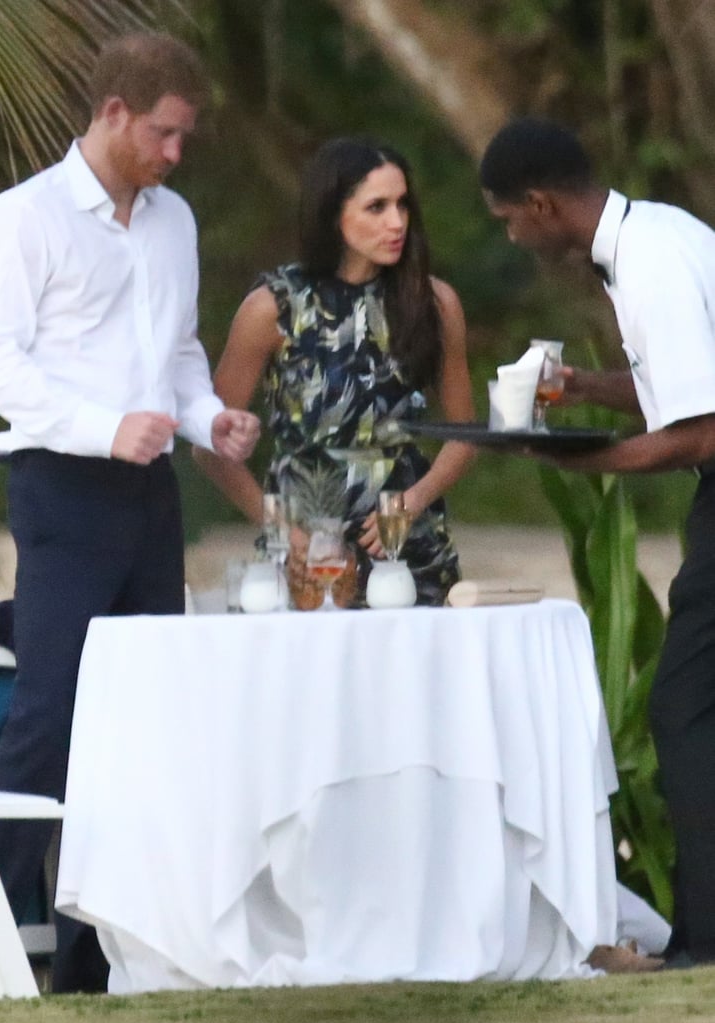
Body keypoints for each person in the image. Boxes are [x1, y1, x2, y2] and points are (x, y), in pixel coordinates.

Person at [0, 33, 260, 1000]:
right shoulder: (24, 219)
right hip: (59, 488)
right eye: (163, 133)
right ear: (114, 111)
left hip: (152, 495)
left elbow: (182, 355)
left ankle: (92, 959)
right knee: (48, 716)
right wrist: (101, 427)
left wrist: (211, 420)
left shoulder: (175, 222)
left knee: (144, 719)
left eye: (184, 138)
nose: (173, 153)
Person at [479, 115, 715, 969]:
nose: (512, 234)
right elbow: (672, 391)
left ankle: (702, 948)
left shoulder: (647, 262)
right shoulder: (659, 233)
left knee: (683, 709)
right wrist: (587, 391)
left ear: (541, 204)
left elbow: (700, 432)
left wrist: (586, 463)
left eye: (509, 218)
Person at [194, 137, 475, 607]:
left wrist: (414, 501)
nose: (396, 222)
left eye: (403, 205)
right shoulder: (274, 308)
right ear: (333, 214)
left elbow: (465, 433)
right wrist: (282, 531)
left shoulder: (434, 302)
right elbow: (210, 443)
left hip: (406, 553)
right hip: (301, 557)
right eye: (377, 207)